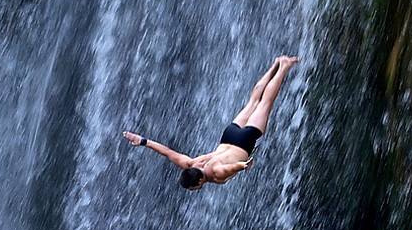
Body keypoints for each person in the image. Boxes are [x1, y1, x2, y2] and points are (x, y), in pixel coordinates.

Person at [123, 55, 299, 190]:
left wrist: (244, 165)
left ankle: (283, 67)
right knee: (252, 101)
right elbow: (168, 153)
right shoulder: (191, 164)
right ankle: (275, 64)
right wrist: (143, 141)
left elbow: (230, 168)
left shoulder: (215, 174)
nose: (197, 189)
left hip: (244, 141)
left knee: (265, 103)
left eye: (195, 188)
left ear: (199, 180)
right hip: (229, 135)